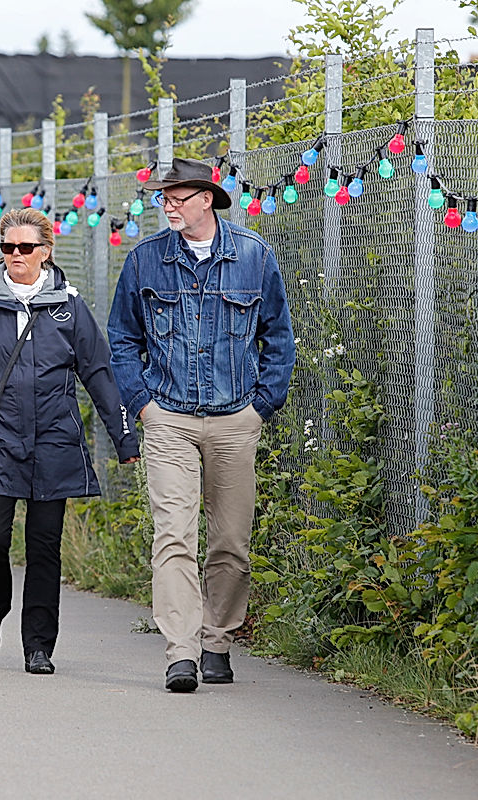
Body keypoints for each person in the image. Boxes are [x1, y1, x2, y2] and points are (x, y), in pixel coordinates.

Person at [106, 158, 296, 692]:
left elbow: (278, 335)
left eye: (177, 197)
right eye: (162, 198)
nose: (166, 205)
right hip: (168, 418)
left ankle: (218, 641)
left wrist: (262, 405)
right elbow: (122, 337)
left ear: (206, 200)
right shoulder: (146, 262)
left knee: (231, 540)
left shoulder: (255, 257)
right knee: (173, 535)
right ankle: (181, 651)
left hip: (237, 417)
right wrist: (142, 403)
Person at [0, 207, 140, 677]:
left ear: (46, 252)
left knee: (44, 547)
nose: (15, 256)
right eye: (7, 247)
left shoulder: (69, 305)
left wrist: (124, 437)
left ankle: (38, 645)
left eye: (25, 248)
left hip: (54, 443)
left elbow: (98, 373)